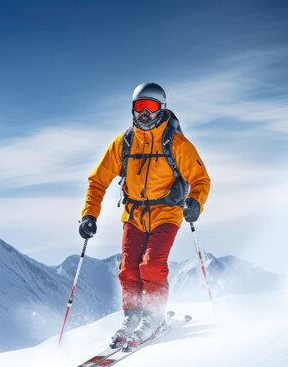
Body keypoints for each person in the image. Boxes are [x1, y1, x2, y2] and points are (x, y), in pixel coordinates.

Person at [79, 82, 210, 348]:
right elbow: (98, 181)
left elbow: (200, 180)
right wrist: (89, 215)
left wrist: (195, 203)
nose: (145, 114)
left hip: (166, 213)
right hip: (134, 214)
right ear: (133, 110)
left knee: (151, 265)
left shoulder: (177, 144)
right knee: (128, 268)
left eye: (150, 107)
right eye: (140, 108)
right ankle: (133, 316)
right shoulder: (124, 143)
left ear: (161, 109)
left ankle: (152, 316)